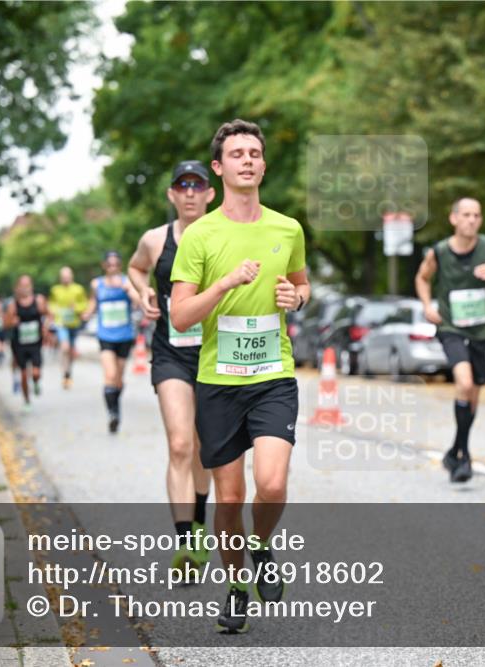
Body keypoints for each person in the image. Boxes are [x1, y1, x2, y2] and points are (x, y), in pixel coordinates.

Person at [171, 119, 309, 634]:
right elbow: (180, 316)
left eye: (254, 153)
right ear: (219, 167)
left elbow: (302, 285)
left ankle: (262, 545)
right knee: (228, 499)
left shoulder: (287, 229)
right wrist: (225, 283)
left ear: (263, 165)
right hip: (219, 382)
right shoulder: (200, 235)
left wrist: (297, 298)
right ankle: (235, 585)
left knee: (271, 484)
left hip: (273, 374)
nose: (247, 160)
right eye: (236, 154)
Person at [128, 160, 216, 578]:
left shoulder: (224, 236)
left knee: (203, 448)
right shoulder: (154, 239)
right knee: (180, 444)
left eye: (198, 185)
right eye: (183, 185)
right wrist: (143, 292)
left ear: (210, 194)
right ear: (172, 194)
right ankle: (184, 544)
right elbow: (135, 268)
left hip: (214, 354)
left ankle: (198, 524)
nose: (190, 193)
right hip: (171, 353)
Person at [415, 198, 485, 483]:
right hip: (451, 327)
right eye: (466, 215)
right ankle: (464, 455)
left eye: (477, 215)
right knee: (465, 384)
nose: (472, 220)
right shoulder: (439, 252)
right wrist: (427, 306)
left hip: (482, 329)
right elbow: (422, 278)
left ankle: (457, 451)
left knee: (473, 395)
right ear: (454, 218)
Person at [82, 251, 139, 434]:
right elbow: (93, 303)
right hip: (105, 335)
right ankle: (112, 413)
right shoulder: (97, 284)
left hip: (124, 336)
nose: (113, 267)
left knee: (119, 380)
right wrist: (86, 313)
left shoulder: (127, 282)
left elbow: (138, 301)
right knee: (110, 374)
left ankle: (115, 405)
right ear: (104, 266)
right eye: (109, 264)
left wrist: (128, 290)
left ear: (120, 266)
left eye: (116, 264)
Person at [5, 275, 50, 409]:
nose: (25, 288)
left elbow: (49, 315)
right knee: (24, 374)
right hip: (19, 344)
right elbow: (5, 323)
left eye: (27, 285)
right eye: (22, 286)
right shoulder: (13, 305)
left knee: (36, 373)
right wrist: (12, 322)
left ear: (31, 286)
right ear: (18, 288)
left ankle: (35, 382)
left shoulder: (39, 301)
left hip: (35, 342)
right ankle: (27, 401)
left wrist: (46, 327)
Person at [49, 267, 89, 389]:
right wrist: (54, 311)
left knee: (71, 351)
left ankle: (68, 371)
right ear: (60, 277)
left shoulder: (78, 289)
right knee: (64, 347)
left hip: (74, 324)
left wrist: (76, 307)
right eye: (63, 276)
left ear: (72, 276)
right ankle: (64, 372)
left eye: (67, 276)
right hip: (61, 323)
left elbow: (84, 304)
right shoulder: (55, 290)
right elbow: (51, 304)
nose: (65, 278)